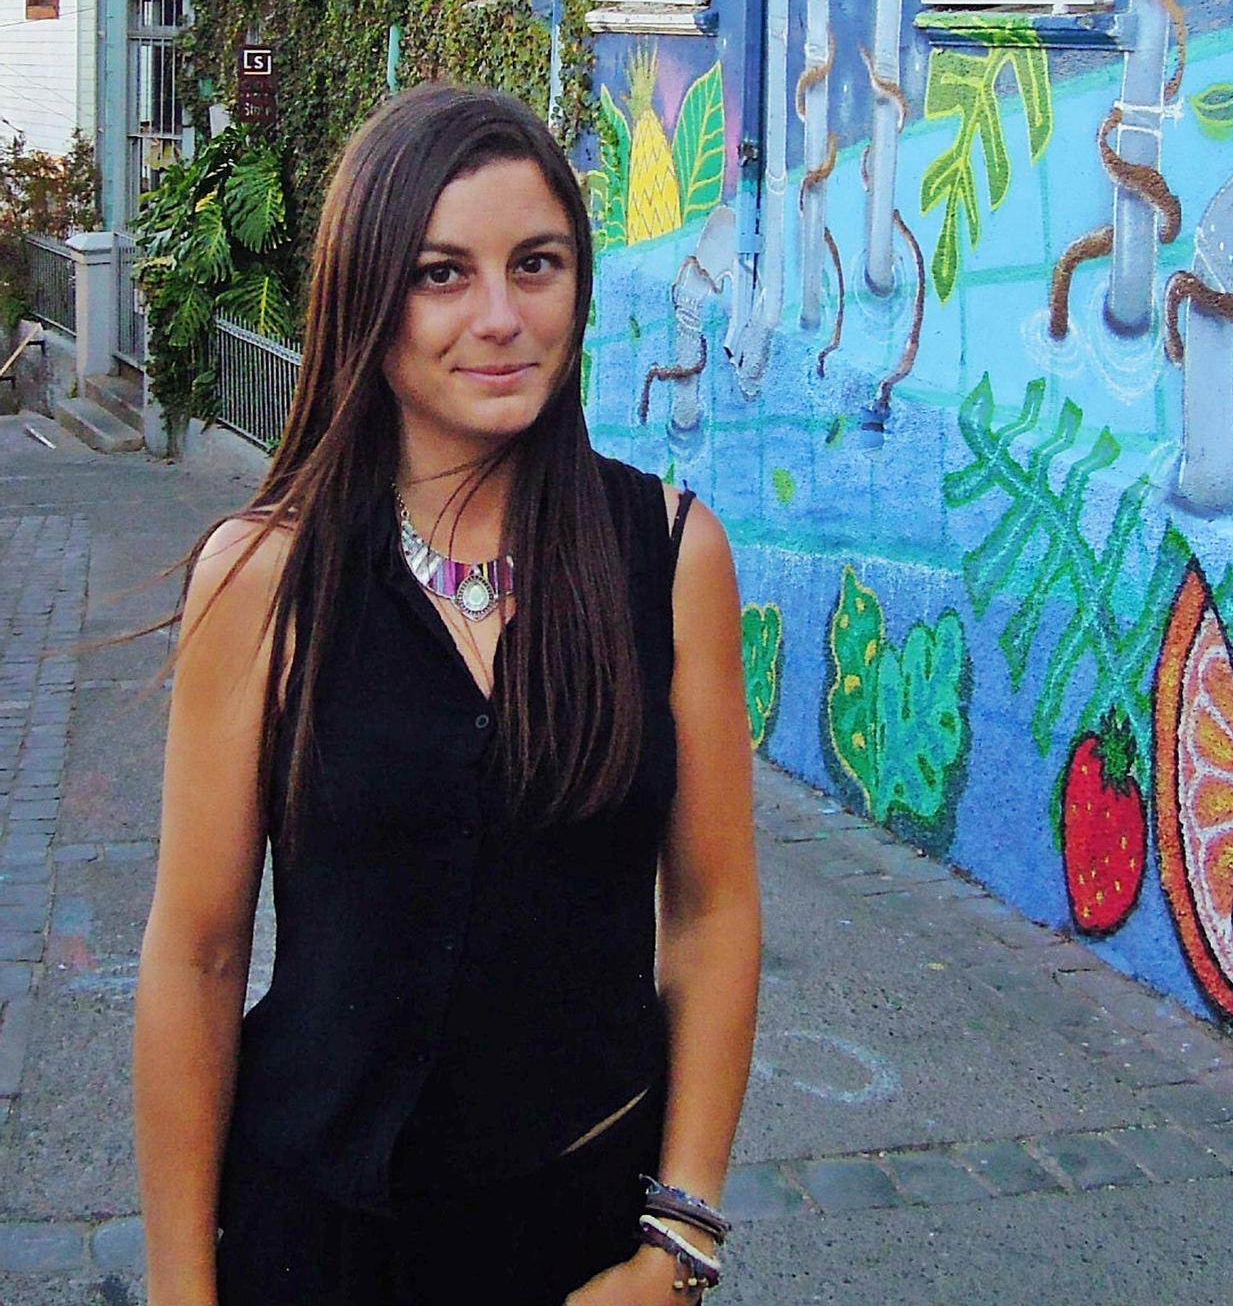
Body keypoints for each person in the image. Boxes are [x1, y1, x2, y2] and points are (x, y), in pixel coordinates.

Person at [132, 84, 762, 1306]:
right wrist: (178, 1290)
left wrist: (677, 1245)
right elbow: (199, 954)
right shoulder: (264, 577)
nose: (499, 316)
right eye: (439, 273)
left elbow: (711, 909)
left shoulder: (670, 554)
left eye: (536, 264)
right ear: (366, 300)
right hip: (312, 1234)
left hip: (582, 1233)